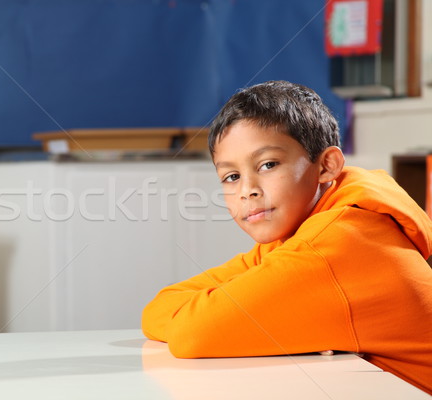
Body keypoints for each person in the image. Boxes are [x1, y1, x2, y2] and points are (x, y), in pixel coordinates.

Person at [141, 81, 432, 394]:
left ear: (327, 166)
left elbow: (192, 334)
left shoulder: (331, 246)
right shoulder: (298, 234)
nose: (247, 190)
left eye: (268, 164)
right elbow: (160, 306)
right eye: (231, 176)